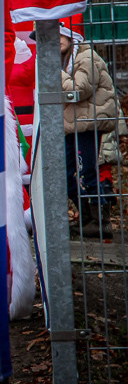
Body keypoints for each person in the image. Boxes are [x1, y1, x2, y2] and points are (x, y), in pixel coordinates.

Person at [61, 18, 118, 238]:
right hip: (72, 125)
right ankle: (86, 217)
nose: (55, 41)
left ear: (71, 36)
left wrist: (52, 74)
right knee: (66, 173)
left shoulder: (86, 57)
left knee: (87, 173)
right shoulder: (63, 61)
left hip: (86, 124)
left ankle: (101, 222)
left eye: (60, 36)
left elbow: (78, 90)